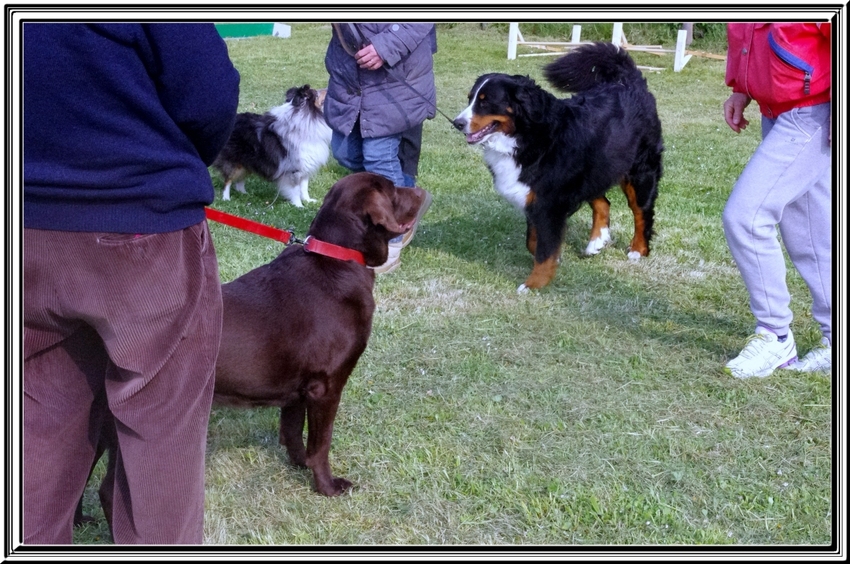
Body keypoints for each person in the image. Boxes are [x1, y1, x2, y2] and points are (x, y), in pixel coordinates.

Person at [23, 23, 240, 543]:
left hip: (25, 226)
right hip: (141, 229)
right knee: (160, 429)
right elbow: (207, 95)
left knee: (37, 422)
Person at [721, 22, 831, 378]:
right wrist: (741, 89)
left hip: (812, 112)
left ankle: (775, 335)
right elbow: (746, 30)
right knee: (810, 235)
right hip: (777, 112)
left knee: (746, 217)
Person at [324, 22, 436, 273]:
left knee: (378, 157)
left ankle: (391, 240)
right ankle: (411, 200)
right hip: (349, 75)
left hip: (395, 76)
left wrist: (385, 47)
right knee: (345, 152)